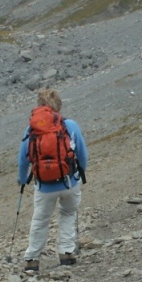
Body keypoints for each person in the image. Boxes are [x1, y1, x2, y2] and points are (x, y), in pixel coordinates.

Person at [18, 88, 88, 272]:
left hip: (44, 185)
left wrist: (22, 179)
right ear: (59, 105)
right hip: (69, 182)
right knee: (68, 213)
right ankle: (66, 253)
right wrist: (79, 174)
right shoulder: (70, 125)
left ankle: (32, 259)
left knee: (40, 220)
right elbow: (82, 153)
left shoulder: (32, 129)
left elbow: (23, 158)